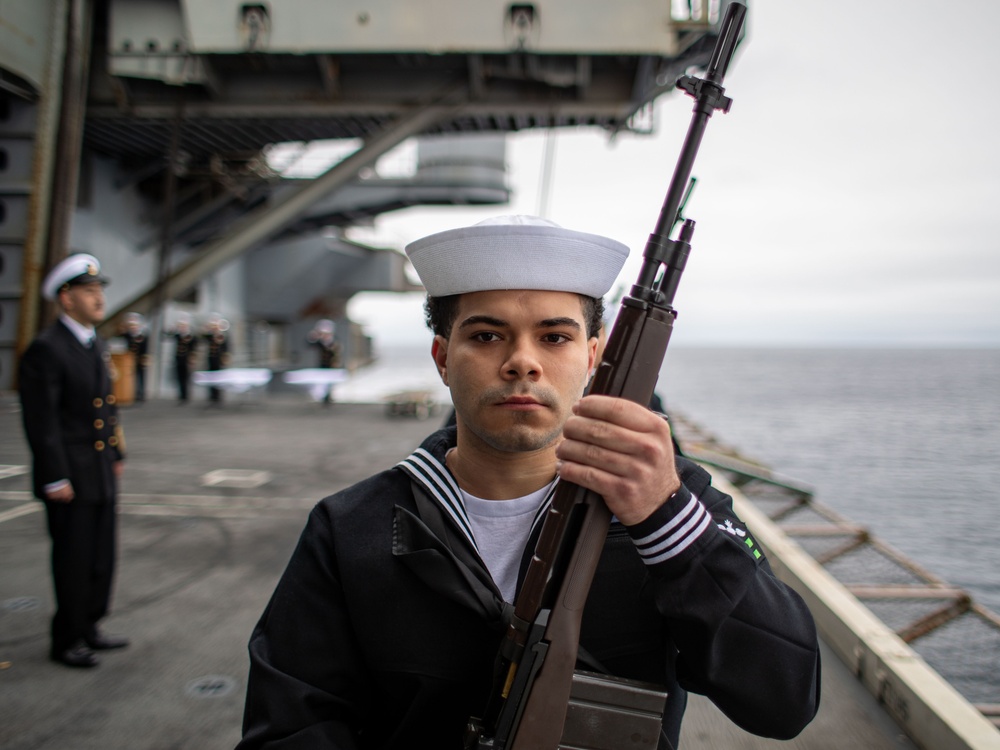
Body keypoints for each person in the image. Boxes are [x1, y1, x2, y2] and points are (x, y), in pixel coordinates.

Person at [237, 216, 820, 748]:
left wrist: (667, 521)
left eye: (554, 337)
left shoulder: (669, 503)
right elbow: (290, 728)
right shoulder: (351, 528)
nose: (522, 361)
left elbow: (784, 700)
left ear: (594, 356)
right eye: (487, 336)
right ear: (443, 357)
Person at [18, 253, 130, 668]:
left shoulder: (93, 343)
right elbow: (42, 421)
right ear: (66, 299)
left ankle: (90, 626)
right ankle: (66, 639)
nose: (98, 298)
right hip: (70, 476)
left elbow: (106, 407)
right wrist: (54, 477)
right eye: (88, 291)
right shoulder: (47, 349)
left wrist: (116, 453)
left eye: (99, 290)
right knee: (74, 559)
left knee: (102, 556)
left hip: (99, 471)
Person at [307, 319, 342, 404]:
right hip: (321, 365)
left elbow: (336, 351)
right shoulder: (319, 342)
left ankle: (328, 397)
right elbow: (309, 344)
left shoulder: (333, 341)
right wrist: (313, 337)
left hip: (331, 365)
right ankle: (323, 397)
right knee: (321, 382)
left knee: (330, 382)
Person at [168, 313, 198, 403]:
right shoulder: (178, 335)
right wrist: (173, 328)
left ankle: (186, 395)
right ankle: (181, 395)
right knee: (179, 377)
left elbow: (194, 347)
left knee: (187, 378)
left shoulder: (191, 336)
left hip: (187, 359)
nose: (182, 327)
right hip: (179, 358)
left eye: (183, 326)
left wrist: (193, 358)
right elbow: (167, 335)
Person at [120, 312, 150, 402]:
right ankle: (133, 393)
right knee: (131, 377)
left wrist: (145, 358)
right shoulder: (128, 335)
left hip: (140, 359)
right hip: (130, 360)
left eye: (134, 325)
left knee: (141, 376)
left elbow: (145, 348)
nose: (133, 327)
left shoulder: (142, 336)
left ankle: (141, 394)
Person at [203, 314, 230, 405]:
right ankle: (211, 396)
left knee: (219, 378)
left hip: (219, 360)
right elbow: (203, 337)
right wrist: (208, 329)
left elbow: (225, 347)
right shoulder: (211, 336)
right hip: (211, 358)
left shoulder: (222, 335)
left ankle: (218, 397)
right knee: (210, 378)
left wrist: (225, 358)